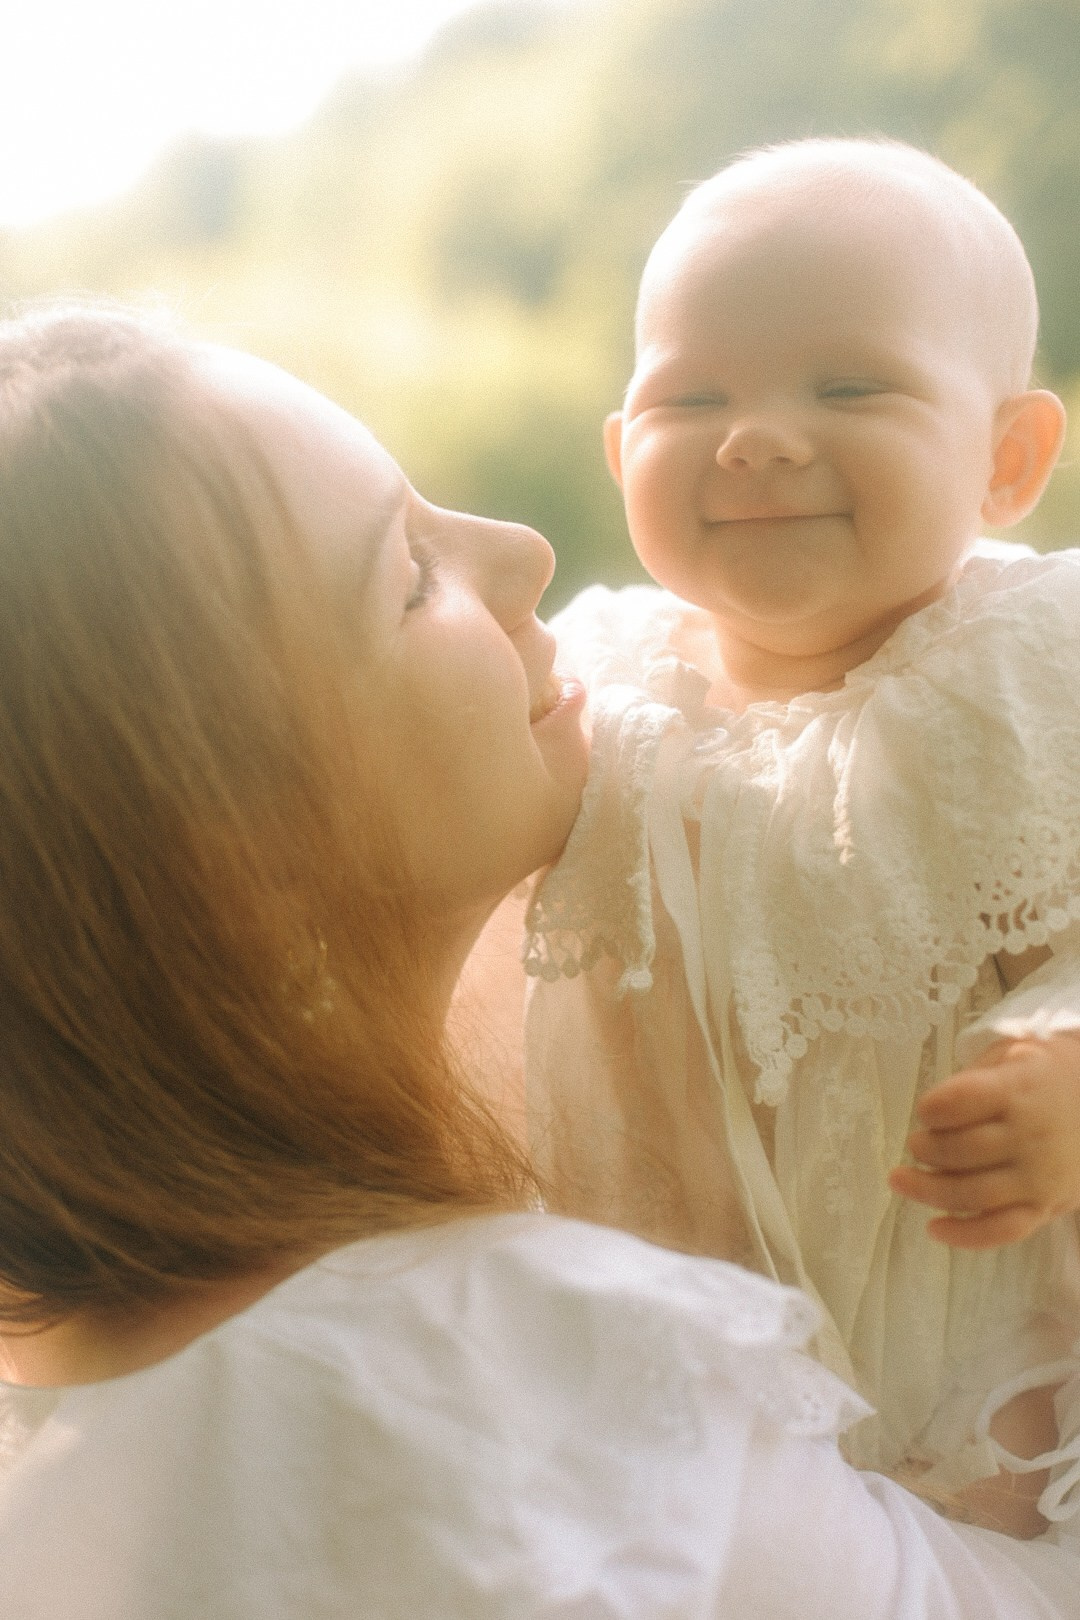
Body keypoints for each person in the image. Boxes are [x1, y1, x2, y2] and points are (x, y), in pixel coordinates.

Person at [0, 303, 1077, 1617]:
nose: (524, 550)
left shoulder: (57, 1439)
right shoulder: (507, 1380)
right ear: (224, 851)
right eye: (409, 575)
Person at [522, 137, 1080, 1540]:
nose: (756, 437)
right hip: (657, 1365)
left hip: (966, 1379)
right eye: (691, 398)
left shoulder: (1032, 676)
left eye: (849, 387)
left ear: (1009, 458)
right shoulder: (595, 689)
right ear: (620, 449)